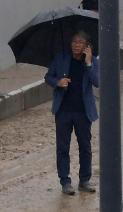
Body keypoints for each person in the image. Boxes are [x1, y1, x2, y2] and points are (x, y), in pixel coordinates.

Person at [44, 31, 99, 195]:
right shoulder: (61, 58)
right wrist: (57, 82)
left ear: (86, 46)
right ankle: (65, 182)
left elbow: (97, 82)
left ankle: (84, 180)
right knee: (62, 148)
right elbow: (48, 77)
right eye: (74, 41)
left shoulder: (93, 62)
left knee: (85, 147)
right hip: (63, 111)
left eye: (80, 42)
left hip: (83, 112)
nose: (76, 45)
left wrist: (88, 64)